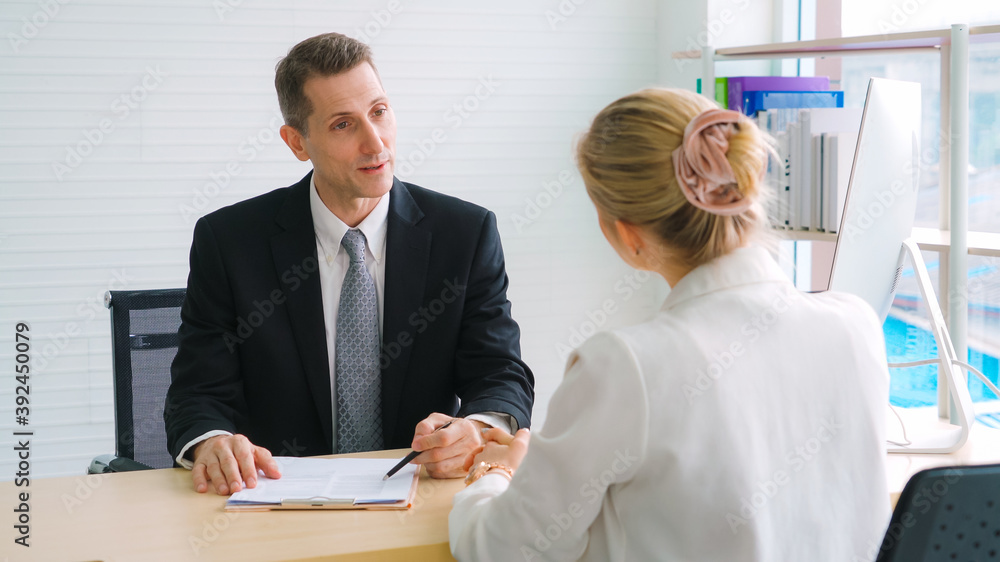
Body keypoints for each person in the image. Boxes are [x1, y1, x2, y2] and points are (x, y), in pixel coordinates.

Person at [449, 88, 890, 561]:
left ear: (626, 232)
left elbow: (505, 550)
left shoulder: (625, 365)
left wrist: (497, 476)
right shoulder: (856, 325)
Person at [164, 32, 534, 495]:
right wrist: (212, 442)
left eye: (379, 112)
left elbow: (499, 372)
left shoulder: (465, 233)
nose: (375, 142)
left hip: (421, 494)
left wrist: (475, 429)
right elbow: (197, 391)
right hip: (275, 503)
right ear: (297, 142)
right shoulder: (229, 241)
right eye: (343, 124)